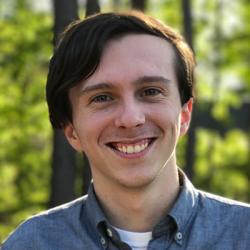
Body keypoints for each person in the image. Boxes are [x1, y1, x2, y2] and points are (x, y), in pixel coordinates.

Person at [2, 11, 250, 250]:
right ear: (71, 131)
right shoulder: (31, 244)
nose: (131, 119)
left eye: (151, 91)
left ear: (184, 115)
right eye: (102, 97)